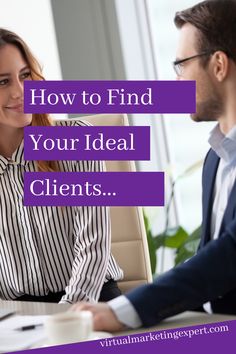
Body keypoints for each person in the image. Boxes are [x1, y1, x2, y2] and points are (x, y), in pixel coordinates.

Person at [72, 0, 236, 331]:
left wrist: (125, 310)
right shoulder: (215, 159)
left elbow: (230, 254)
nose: (176, 81)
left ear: (219, 65)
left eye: (181, 65)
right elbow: (210, 265)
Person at [0, 28, 123, 304]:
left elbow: (93, 245)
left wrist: (66, 316)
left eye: (24, 75)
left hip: (90, 301)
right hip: (17, 315)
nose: (21, 92)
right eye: (2, 82)